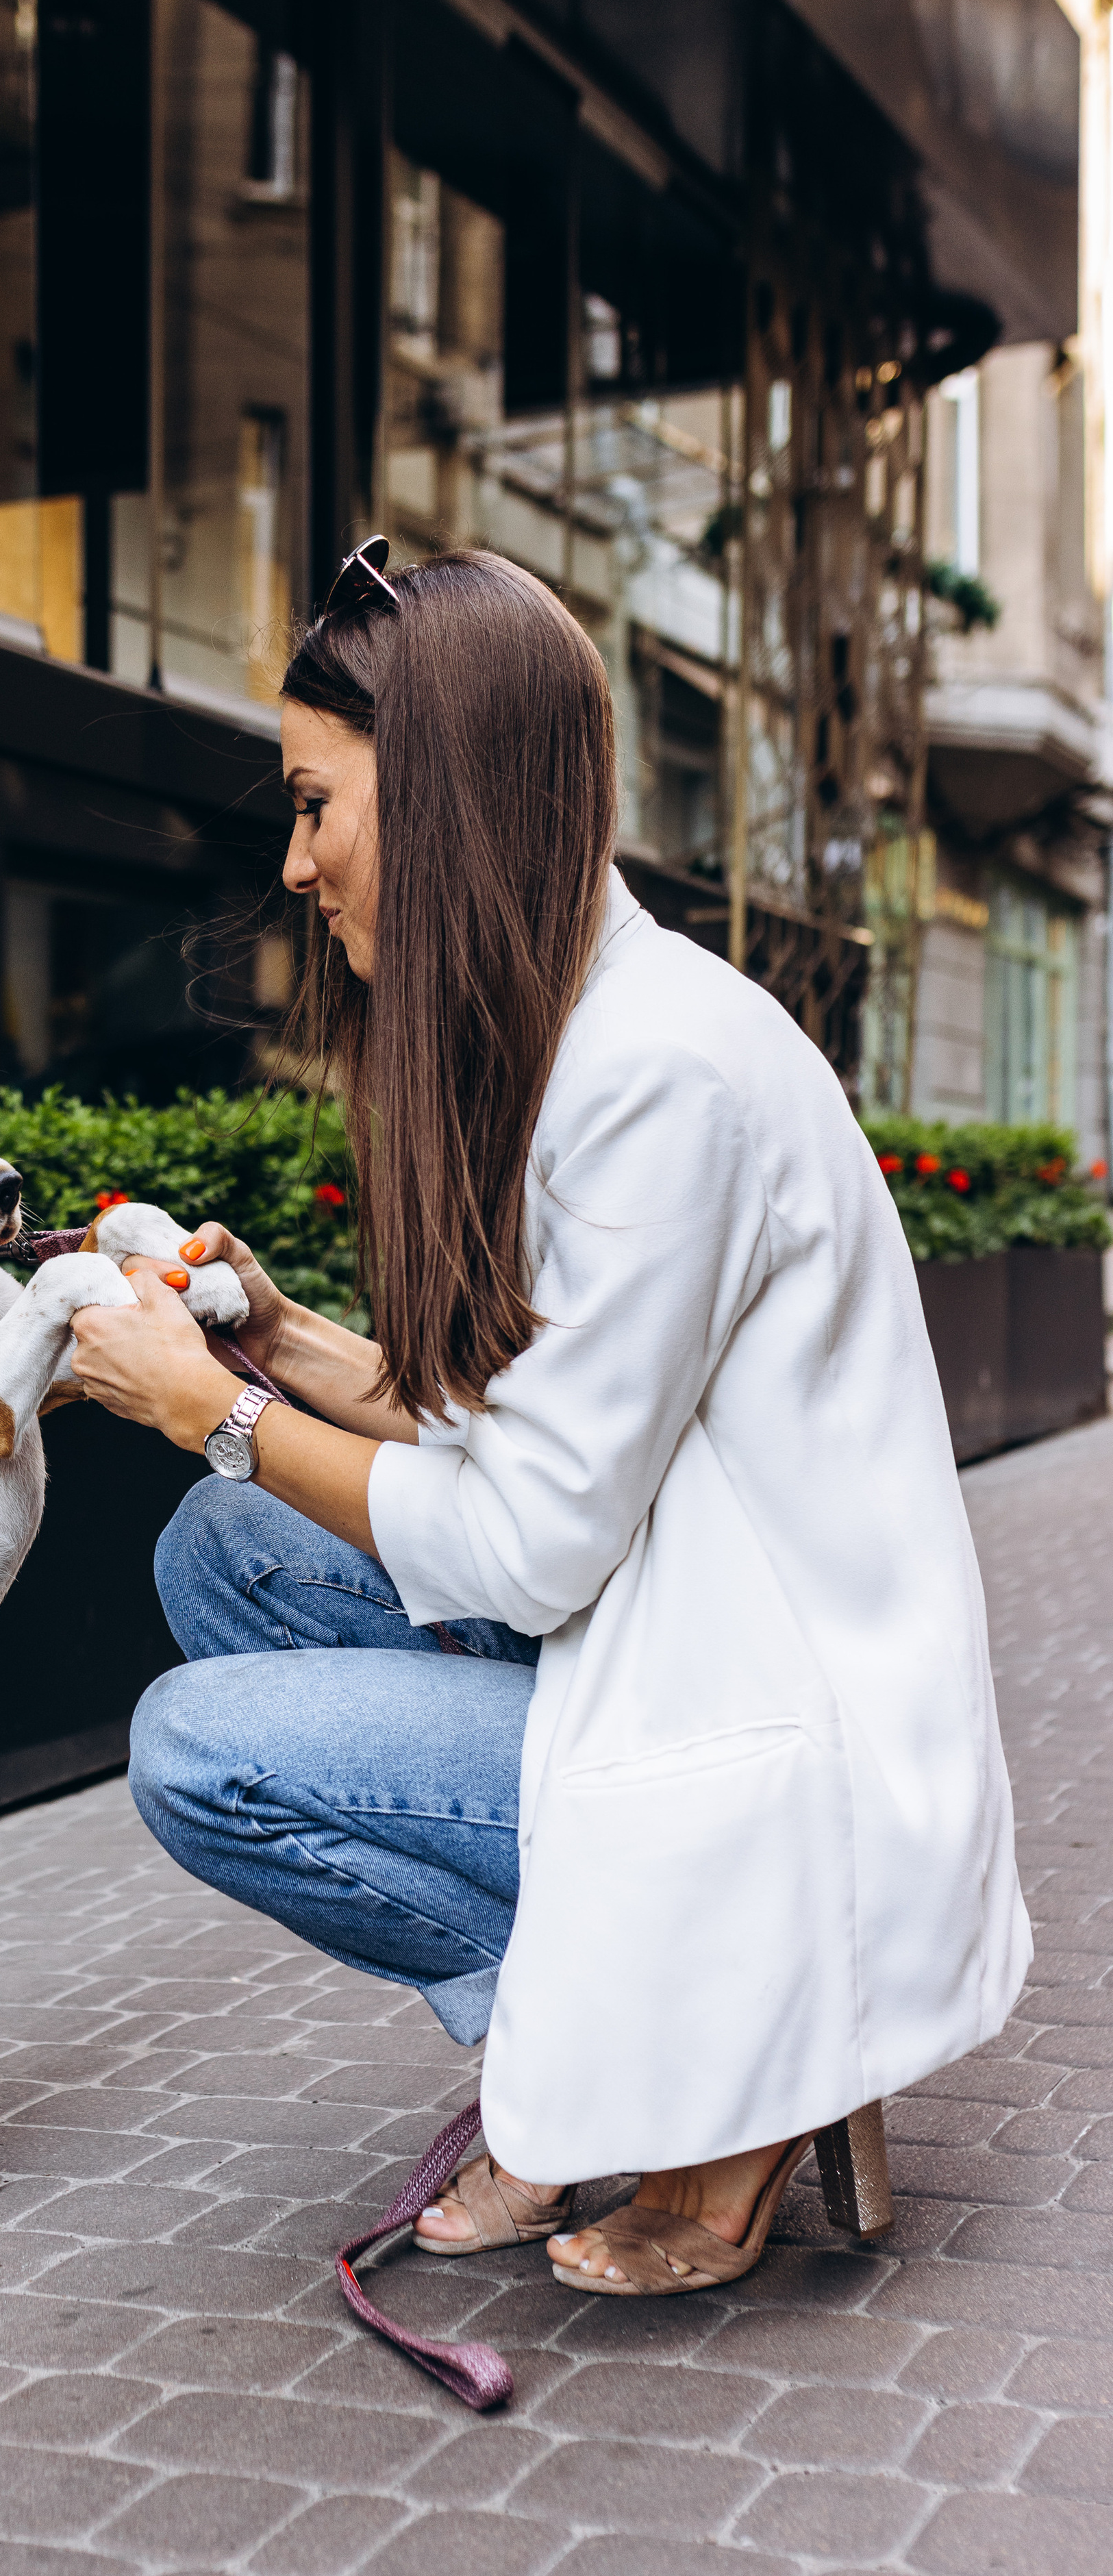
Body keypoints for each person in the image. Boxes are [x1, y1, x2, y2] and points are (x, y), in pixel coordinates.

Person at [65, 544, 1029, 2296]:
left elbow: (527, 1538)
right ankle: (604, 2063)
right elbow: (519, 1427)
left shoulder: (654, 1073)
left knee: (192, 1744)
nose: (292, 864)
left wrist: (210, 1408)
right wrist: (274, 1340)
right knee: (229, 1550)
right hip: (663, 1643)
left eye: (313, 804)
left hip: (773, 1734)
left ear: (433, 792)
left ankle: (679, 2083)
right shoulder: (586, 1027)